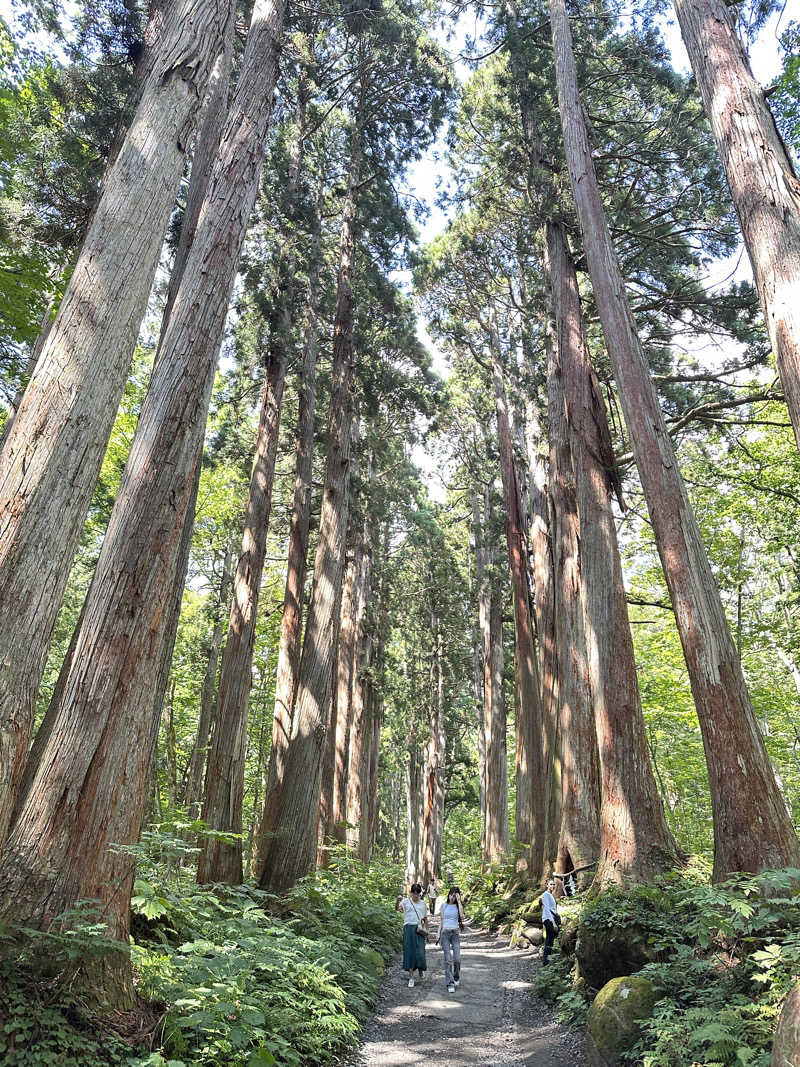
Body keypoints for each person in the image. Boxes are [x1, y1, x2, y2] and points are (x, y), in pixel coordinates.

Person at [396, 882, 428, 987]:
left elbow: (425, 918)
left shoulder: (423, 904)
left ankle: (420, 969)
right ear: (411, 893)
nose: (415, 896)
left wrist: (427, 932)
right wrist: (397, 900)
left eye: (417, 894)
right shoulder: (406, 902)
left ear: (420, 893)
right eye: (413, 893)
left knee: (420, 952)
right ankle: (411, 978)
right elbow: (397, 909)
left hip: (419, 929)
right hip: (408, 928)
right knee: (409, 952)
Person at [440, 885, 465, 993]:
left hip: (455, 933)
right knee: (448, 960)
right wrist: (438, 933)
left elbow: (462, 916)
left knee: (457, 959)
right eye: (451, 894)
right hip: (445, 933)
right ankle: (450, 983)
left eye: (454, 895)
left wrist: (459, 901)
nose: (452, 897)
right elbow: (441, 921)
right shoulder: (444, 906)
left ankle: (456, 977)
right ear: (448, 894)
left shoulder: (457, 906)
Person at [541, 878, 560, 966]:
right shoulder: (546, 895)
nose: (552, 886)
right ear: (547, 885)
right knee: (549, 940)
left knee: (551, 939)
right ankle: (546, 961)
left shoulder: (550, 895)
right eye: (551, 884)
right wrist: (553, 923)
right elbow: (547, 909)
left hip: (552, 919)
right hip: (549, 920)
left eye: (553, 884)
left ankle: (548, 960)